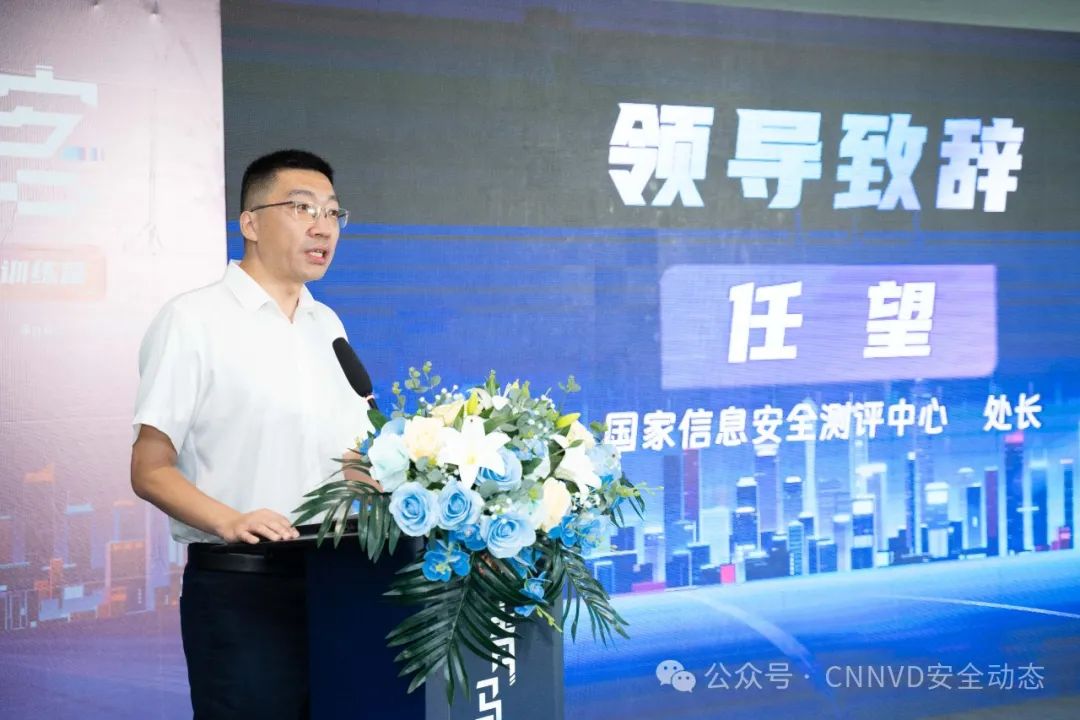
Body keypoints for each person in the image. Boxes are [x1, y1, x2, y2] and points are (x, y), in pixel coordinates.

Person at [130, 149, 373, 719]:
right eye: (302, 208)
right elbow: (149, 468)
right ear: (250, 223)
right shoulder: (193, 320)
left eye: (333, 213)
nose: (323, 227)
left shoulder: (326, 323)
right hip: (243, 589)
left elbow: (349, 459)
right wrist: (230, 520)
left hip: (340, 582)